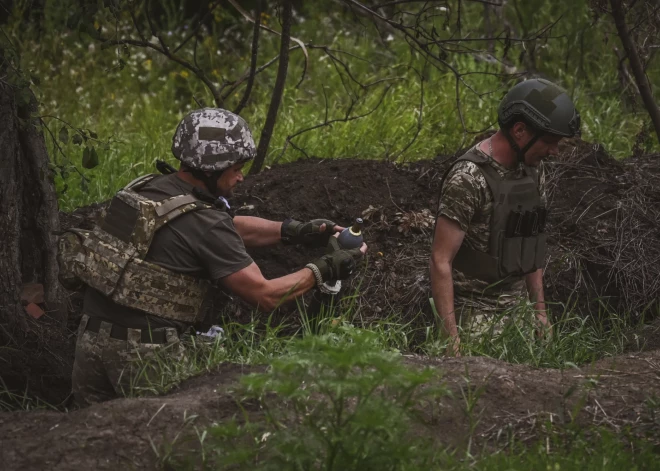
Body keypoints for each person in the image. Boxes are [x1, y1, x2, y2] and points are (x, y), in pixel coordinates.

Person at [58, 108, 367, 405]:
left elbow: (225, 229)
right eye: (236, 169)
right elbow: (266, 295)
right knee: (172, 444)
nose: (242, 177)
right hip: (144, 355)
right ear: (210, 170)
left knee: (95, 444)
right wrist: (326, 267)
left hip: (90, 342)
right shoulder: (206, 224)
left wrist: (294, 230)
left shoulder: (149, 189)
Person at [429, 79, 580, 356]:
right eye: (549, 142)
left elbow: (530, 243)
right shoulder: (468, 178)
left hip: (519, 309)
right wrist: (450, 341)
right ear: (520, 130)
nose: (554, 151)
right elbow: (441, 260)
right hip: (475, 311)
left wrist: (541, 315)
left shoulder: (533, 169)